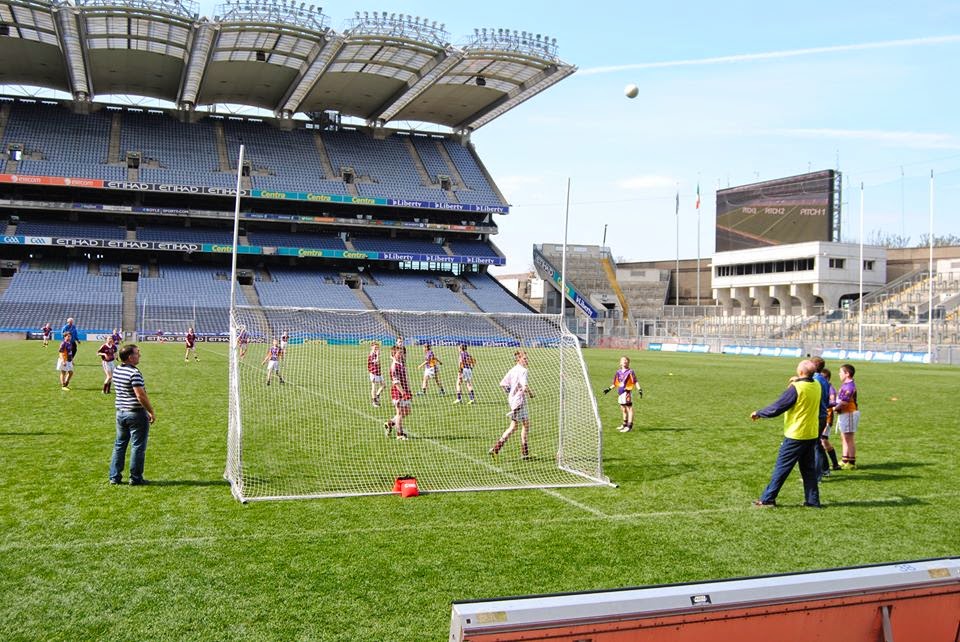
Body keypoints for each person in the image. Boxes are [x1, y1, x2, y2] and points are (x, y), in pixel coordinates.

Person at [750, 359, 822, 508]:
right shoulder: (817, 385)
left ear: (800, 371)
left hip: (796, 434)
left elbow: (778, 407)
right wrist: (797, 381)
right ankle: (812, 501)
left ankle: (768, 499)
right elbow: (805, 386)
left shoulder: (796, 388)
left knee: (782, 467)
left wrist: (759, 413)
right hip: (811, 433)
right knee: (808, 470)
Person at [109, 344, 156, 486]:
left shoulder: (117, 370)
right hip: (135, 414)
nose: (139, 355)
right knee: (138, 446)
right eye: (137, 353)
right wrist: (150, 411)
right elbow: (140, 395)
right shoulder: (134, 373)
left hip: (120, 412)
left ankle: (114, 476)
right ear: (130, 357)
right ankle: (135, 478)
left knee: (119, 445)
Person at [490, 350, 535, 459]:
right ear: (518, 359)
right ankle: (522, 453)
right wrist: (531, 393)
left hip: (513, 400)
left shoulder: (513, 369)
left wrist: (512, 392)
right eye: (524, 358)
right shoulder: (523, 370)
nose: (527, 360)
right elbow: (524, 386)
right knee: (520, 426)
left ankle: (498, 448)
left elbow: (503, 384)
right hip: (520, 402)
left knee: (517, 426)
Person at [603, 356, 642, 432]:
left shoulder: (630, 371)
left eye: (626, 360)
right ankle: (624, 424)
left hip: (627, 392)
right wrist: (608, 389)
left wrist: (639, 389)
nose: (625, 361)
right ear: (620, 363)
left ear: (628, 363)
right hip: (620, 393)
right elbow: (616, 383)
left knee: (629, 409)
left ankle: (629, 426)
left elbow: (635, 381)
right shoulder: (618, 372)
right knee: (623, 409)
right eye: (623, 360)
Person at [835, 363, 860, 469]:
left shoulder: (850, 386)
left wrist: (835, 408)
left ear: (847, 374)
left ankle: (851, 462)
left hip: (849, 413)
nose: (839, 374)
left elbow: (844, 402)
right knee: (844, 436)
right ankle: (845, 459)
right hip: (844, 413)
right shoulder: (845, 384)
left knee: (849, 437)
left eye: (841, 372)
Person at [810, 356, 831, 480]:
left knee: (814, 446)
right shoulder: (824, 379)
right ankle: (825, 469)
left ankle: (816, 475)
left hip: (816, 415)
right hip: (823, 414)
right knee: (817, 443)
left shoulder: (814, 380)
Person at [384, 345, 411, 440]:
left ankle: (390, 423)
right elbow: (396, 383)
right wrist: (403, 393)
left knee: (407, 411)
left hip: (405, 390)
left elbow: (405, 379)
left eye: (402, 353)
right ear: (394, 354)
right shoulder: (394, 366)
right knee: (399, 413)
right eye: (399, 353)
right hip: (398, 392)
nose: (401, 354)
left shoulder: (401, 363)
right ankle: (400, 434)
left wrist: (408, 390)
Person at [820, 368, 842, 472]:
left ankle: (829, 466)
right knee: (823, 441)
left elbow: (833, 401)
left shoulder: (829, 388)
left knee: (823, 440)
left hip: (827, 418)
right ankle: (835, 464)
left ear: (828, 378)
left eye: (823, 377)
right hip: (822, 417)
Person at [368, 342, 384, 407]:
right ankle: (374, 402)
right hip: (373, 372)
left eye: (377, 348)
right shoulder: (372, 354)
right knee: (373, 386)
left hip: (378, 372)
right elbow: (376, 362)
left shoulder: (375, 353)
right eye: (375, 347)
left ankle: (377, 395)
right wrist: (378, 355)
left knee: (383, 385)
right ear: (371, 347)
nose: (376, 349)